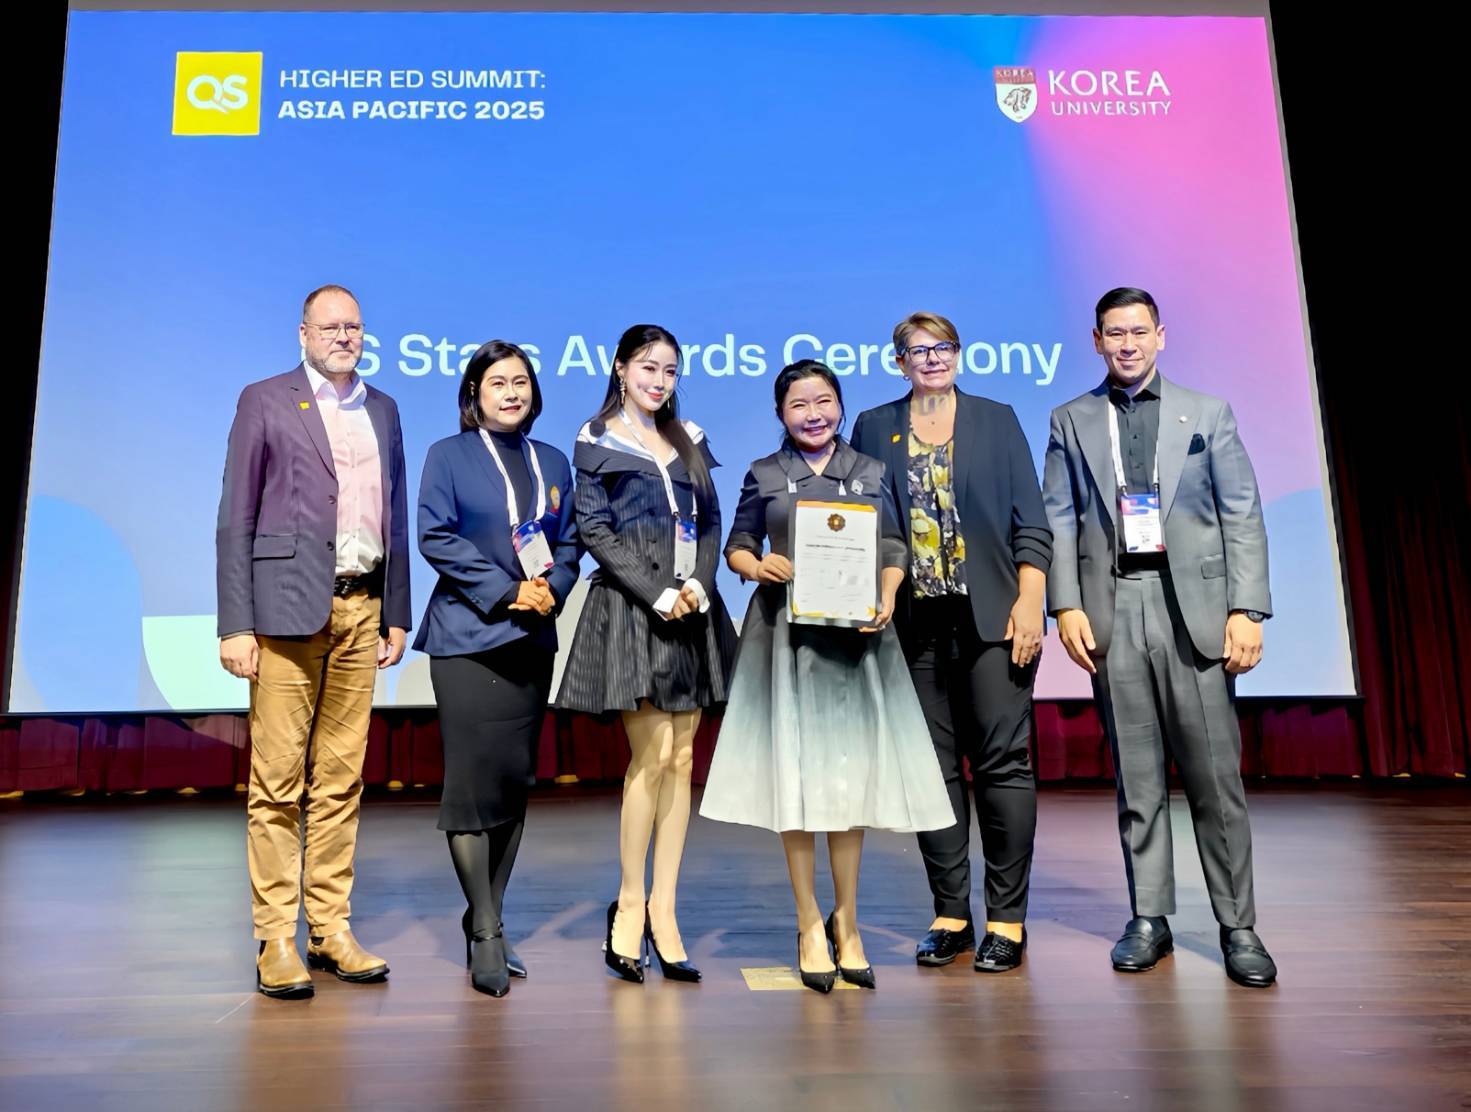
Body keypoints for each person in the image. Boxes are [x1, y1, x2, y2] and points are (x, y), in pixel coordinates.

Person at [1041, 287, 1277, 987]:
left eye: (1138, 332)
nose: (1127, 344)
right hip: (1114, 603)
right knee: (1136, 778)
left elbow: (1241, 513)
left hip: (1193, 608)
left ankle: (1238, 926)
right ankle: (1149, 917)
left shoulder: (1206, 413)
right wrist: (1065, 605)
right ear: (1096, 340)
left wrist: (1246, 609)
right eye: (1114, 333)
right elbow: (1058, 519)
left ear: (1160, 336)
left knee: (1215, 780)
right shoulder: (1069, 419)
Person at [700, 359, 951, 993]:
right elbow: (737, 546)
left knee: (845, 783)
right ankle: (809, 921)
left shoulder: (869, 470)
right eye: (799, 405)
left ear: (840, 405)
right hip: (785, 641)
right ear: (780, 414)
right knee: (796, 781)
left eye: (824, 402)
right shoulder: (764, 472)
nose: (813, 415)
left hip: (855, 642)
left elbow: (892, 546)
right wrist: (758, 567)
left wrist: (888, 593)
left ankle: (849, 921)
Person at [217, 284, 410, 998]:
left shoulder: (382, 408)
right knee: (275, 783)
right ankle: (275, 938)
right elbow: (236, 518)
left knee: (340, 780)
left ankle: (330, 929)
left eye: (353, 327)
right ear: (303, 333)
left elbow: (393, 515)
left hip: (362, 610)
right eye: (329, 327)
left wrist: (396, 610)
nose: (343, 337)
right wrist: (235, 623)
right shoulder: (265, 400)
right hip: (284, 614)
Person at [853, 311, 1051, 974]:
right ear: (899, 362)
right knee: (931, 771)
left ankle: (1007, 921)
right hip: (913, 623)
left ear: (958, 354)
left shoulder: (996, 420)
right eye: (918, 350)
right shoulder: (873, 427)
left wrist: (1030, 600)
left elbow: (1031, 522)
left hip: (994, 618)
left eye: (943, 348)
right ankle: (950, 916)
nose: (932, 359)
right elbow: (863, 526)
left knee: (1002, 765)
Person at [554, 324, 737, 984]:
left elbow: (709, 521)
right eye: (647, 368)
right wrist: (657, 592)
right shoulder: (596, 438)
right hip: (634, 610)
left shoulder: (689, 438)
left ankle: (665, 908)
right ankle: (629, 904)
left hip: (693, 609)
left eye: (669, 371)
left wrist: (699, 584)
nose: (659, 381)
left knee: (683, 761)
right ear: (620, 369)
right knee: (651, 757)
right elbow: (594, 529)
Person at [414, 340, 580, 997]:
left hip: (532, 637)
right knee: (471, 787)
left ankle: (491, 913)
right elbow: (435, 536)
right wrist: (507, 590)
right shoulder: (447, 455)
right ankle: (484, 929)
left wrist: (550, 589)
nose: (511, 393)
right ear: (473, 394)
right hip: (468, 638)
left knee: (512, 785)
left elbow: (569, 543)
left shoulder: (552, 460)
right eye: (497, 383)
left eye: (520, 383)